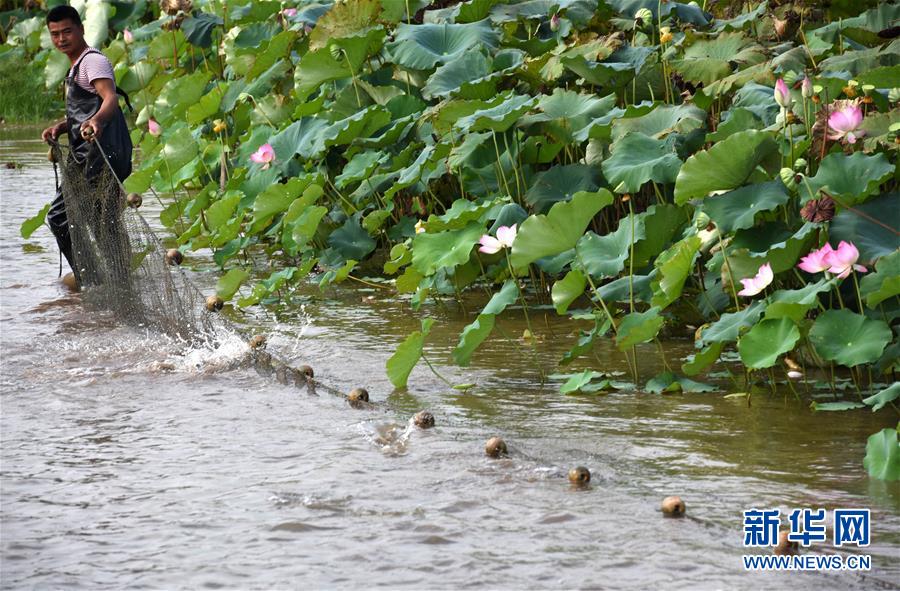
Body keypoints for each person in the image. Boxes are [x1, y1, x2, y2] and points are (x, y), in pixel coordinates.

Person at [40, 5, 133, 285]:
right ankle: (109, 278)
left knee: (64, 218)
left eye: (67, 31)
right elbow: (84, 111)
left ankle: (93, 279)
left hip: (98, 157)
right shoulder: (76, 65)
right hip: (86, 157)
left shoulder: (92, 61)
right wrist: (62, 126)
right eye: (55, 34)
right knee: (101, 221)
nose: (61, 39)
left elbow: (109, 100)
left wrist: (98, 122)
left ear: (81, 29)